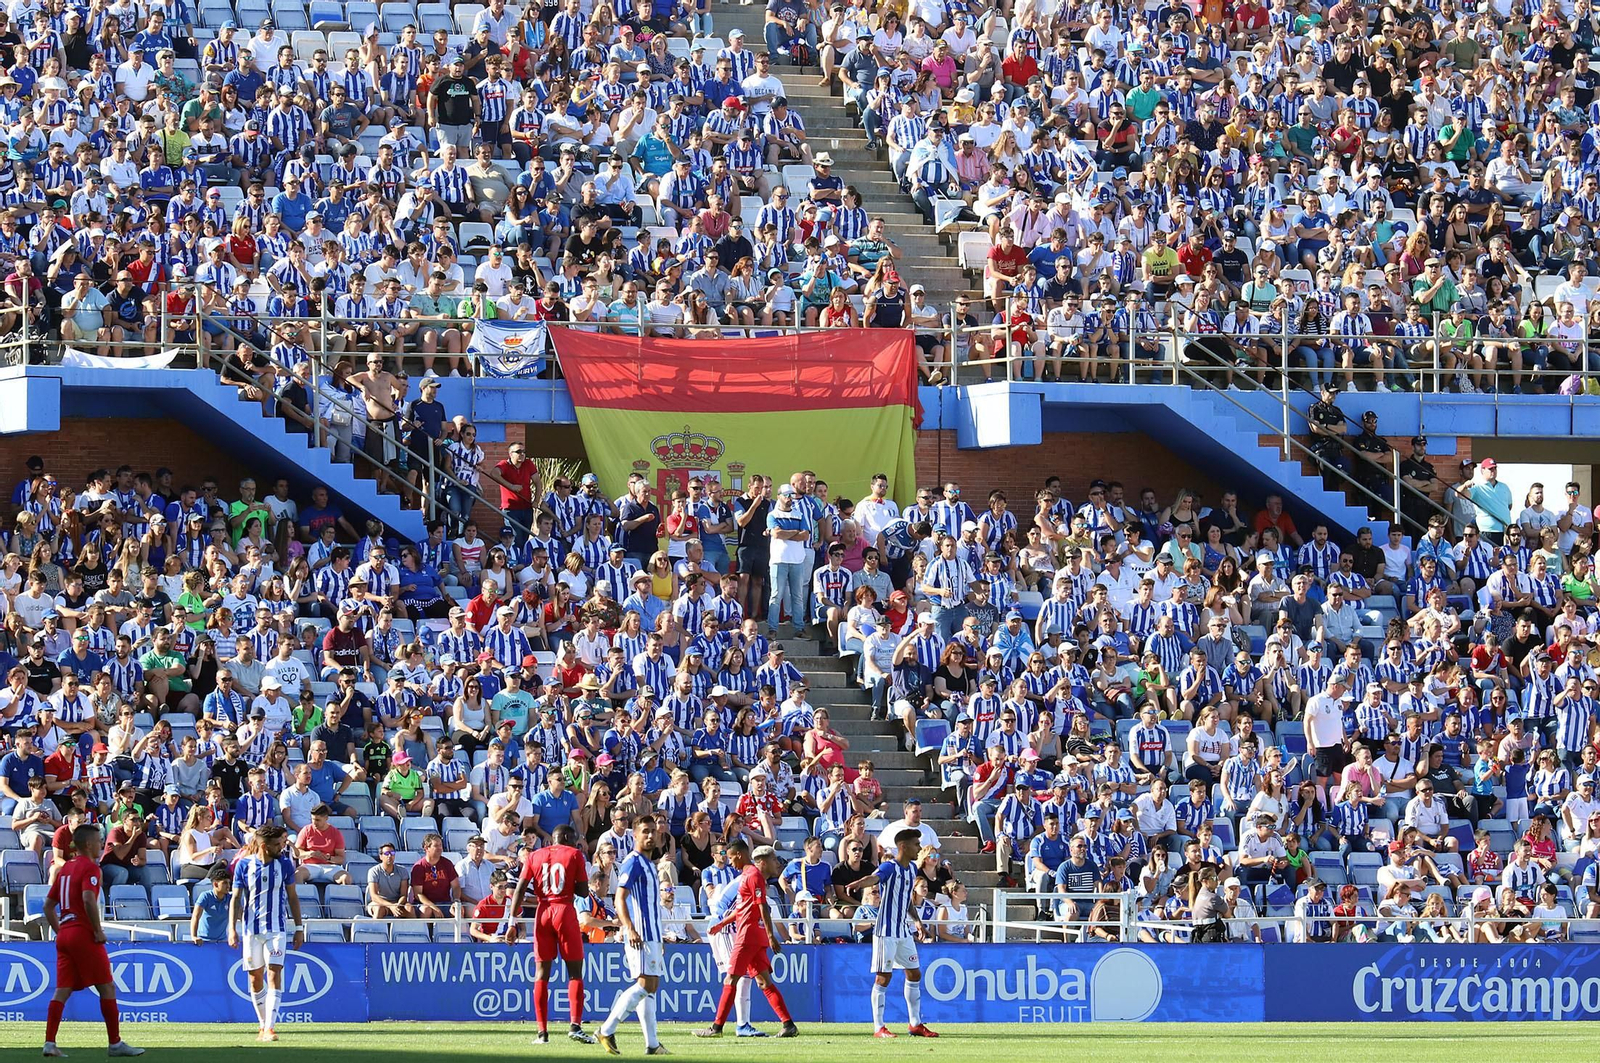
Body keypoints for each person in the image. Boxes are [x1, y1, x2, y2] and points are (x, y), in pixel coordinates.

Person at [41, 823, 145, 1058]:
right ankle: (115, 1043)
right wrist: (97, 930)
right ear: (88, 844)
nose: (102, 845)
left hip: (65, 933)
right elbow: (89, 899)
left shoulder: (66, 868)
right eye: (99, 841)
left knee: (62, 991)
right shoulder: (90, 867)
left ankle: (49, 1042)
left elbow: (48, 906)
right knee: (106, 986)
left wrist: (61, 931)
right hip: (82, 933)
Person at [695, 840, 800, 1038]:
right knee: (764, 982)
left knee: (731, 978)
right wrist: (723, 923)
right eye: (774, 860)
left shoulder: (752, 876)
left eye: (732, 857)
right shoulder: (750, 876)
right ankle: (788, 1024)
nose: (730, 861)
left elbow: (762, 908)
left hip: (747, 936)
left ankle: (716, 1028)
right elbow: (743, 908)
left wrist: (771, 936)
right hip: (754, 936)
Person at [505, 823, 596, 1045]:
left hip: (542, 911)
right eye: (573, 838)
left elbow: (519, 889)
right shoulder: (574, 854)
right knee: (575, 972)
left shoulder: (534, 856)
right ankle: (575, 1026)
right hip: (564, 909)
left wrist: (512, 921)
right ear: (565, 837)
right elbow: (583, 891)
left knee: (541, 973)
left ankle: (542, 1033)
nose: (575, 843)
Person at [849, 827, 938, 1038]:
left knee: (914, 972)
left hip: (903, 931)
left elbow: (906, 899)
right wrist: (861, 883)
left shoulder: (910, 870)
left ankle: (915, 1024)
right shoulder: (890, 866)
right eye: (916, 844)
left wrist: (917, 920)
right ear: (903, 846)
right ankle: (878, 1027)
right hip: (886, 932)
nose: (919, 848)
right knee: (883, 977)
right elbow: (875, 878)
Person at [597, 817, 668, 1055]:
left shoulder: (650, 864)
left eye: (653, 832)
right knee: (645, 984)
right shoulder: (633, 862)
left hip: (652, 934)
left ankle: (652, 1044)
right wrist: (630, 927)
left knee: (651, 986)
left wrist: (659, 937)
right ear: (635, 836)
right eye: (645, 832)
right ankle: (606, 1029)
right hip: (640, 934)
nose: (650, 836)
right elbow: (619, 898)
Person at [229, 823, 306, 1043]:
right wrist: (231, 928)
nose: (281, 847)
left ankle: (270, 1028)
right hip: (251, 930)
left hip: (276, 929)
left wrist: (299, 928)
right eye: (277, 844)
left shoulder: (285, 865)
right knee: (255, 979)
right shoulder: (244, 865)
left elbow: (292, 897)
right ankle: (262, 1025)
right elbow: (235, 898)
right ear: (264, 846)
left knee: (274, 973)